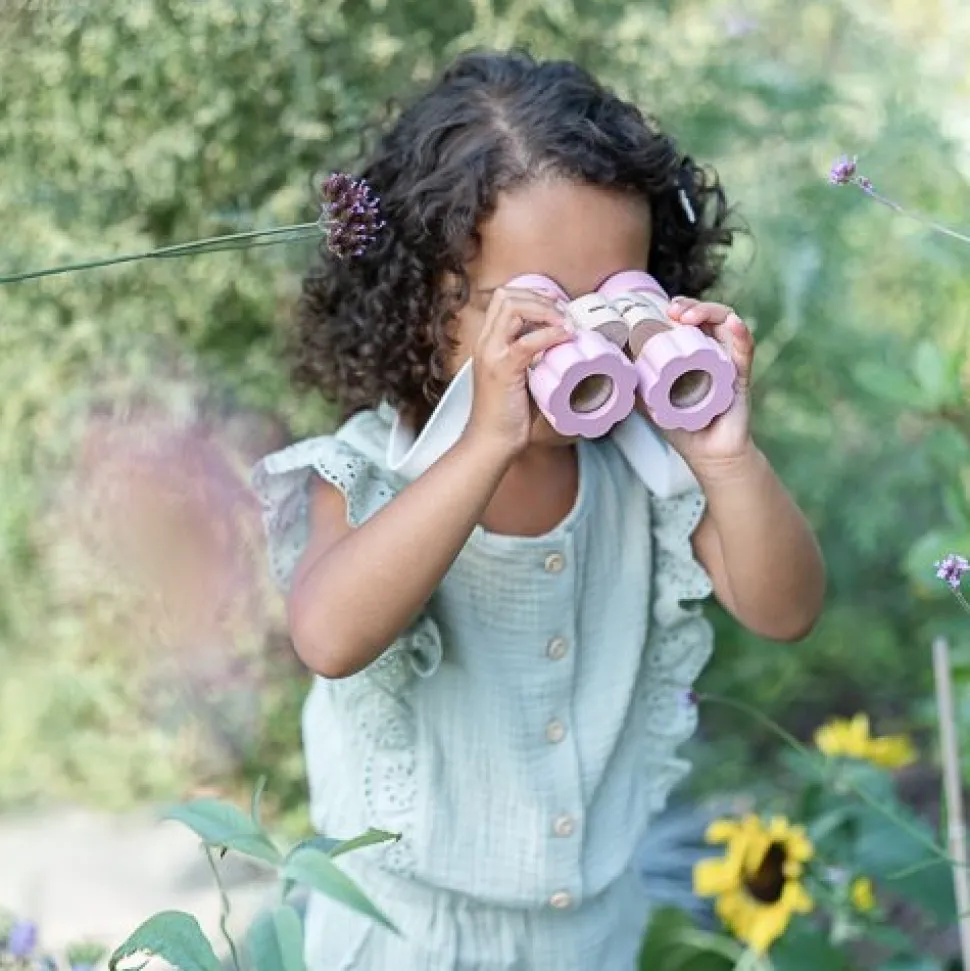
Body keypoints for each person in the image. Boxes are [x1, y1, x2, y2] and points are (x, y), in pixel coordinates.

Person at [251, 47, 826, 971]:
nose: (587, 338)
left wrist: (727, 454)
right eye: (543, 309)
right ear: (438, 311)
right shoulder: (367, 469)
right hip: (404, 934)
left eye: (620, 301)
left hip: (589, 932)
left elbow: (786, 609)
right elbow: (328, 634)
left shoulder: (645, 464)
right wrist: (485, 441)